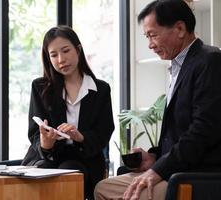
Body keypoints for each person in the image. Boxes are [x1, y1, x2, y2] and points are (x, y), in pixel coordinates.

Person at [94, 0, 221, 199]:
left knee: (131, 194)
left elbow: (203, 131)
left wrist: (159, 169)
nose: (150, 45)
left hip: (197, 174)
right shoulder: (179, 66)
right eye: (147, 37)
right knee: (103, 188)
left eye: (153, 35)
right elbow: (179, 132)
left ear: (179, 28)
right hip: (175, 170)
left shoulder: (209, 60)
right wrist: (154, 157)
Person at [21, 25, 115, 199]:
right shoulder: (40, 87)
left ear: (78, 50)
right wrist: (45, 144)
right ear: (48, 58)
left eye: (65, 51)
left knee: (69, 170)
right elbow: (34, 133)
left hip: (84, 161)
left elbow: (104, 133)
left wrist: (80, 137)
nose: (61, 60)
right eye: (54, 55)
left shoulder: (101, 89)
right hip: (47, 158)